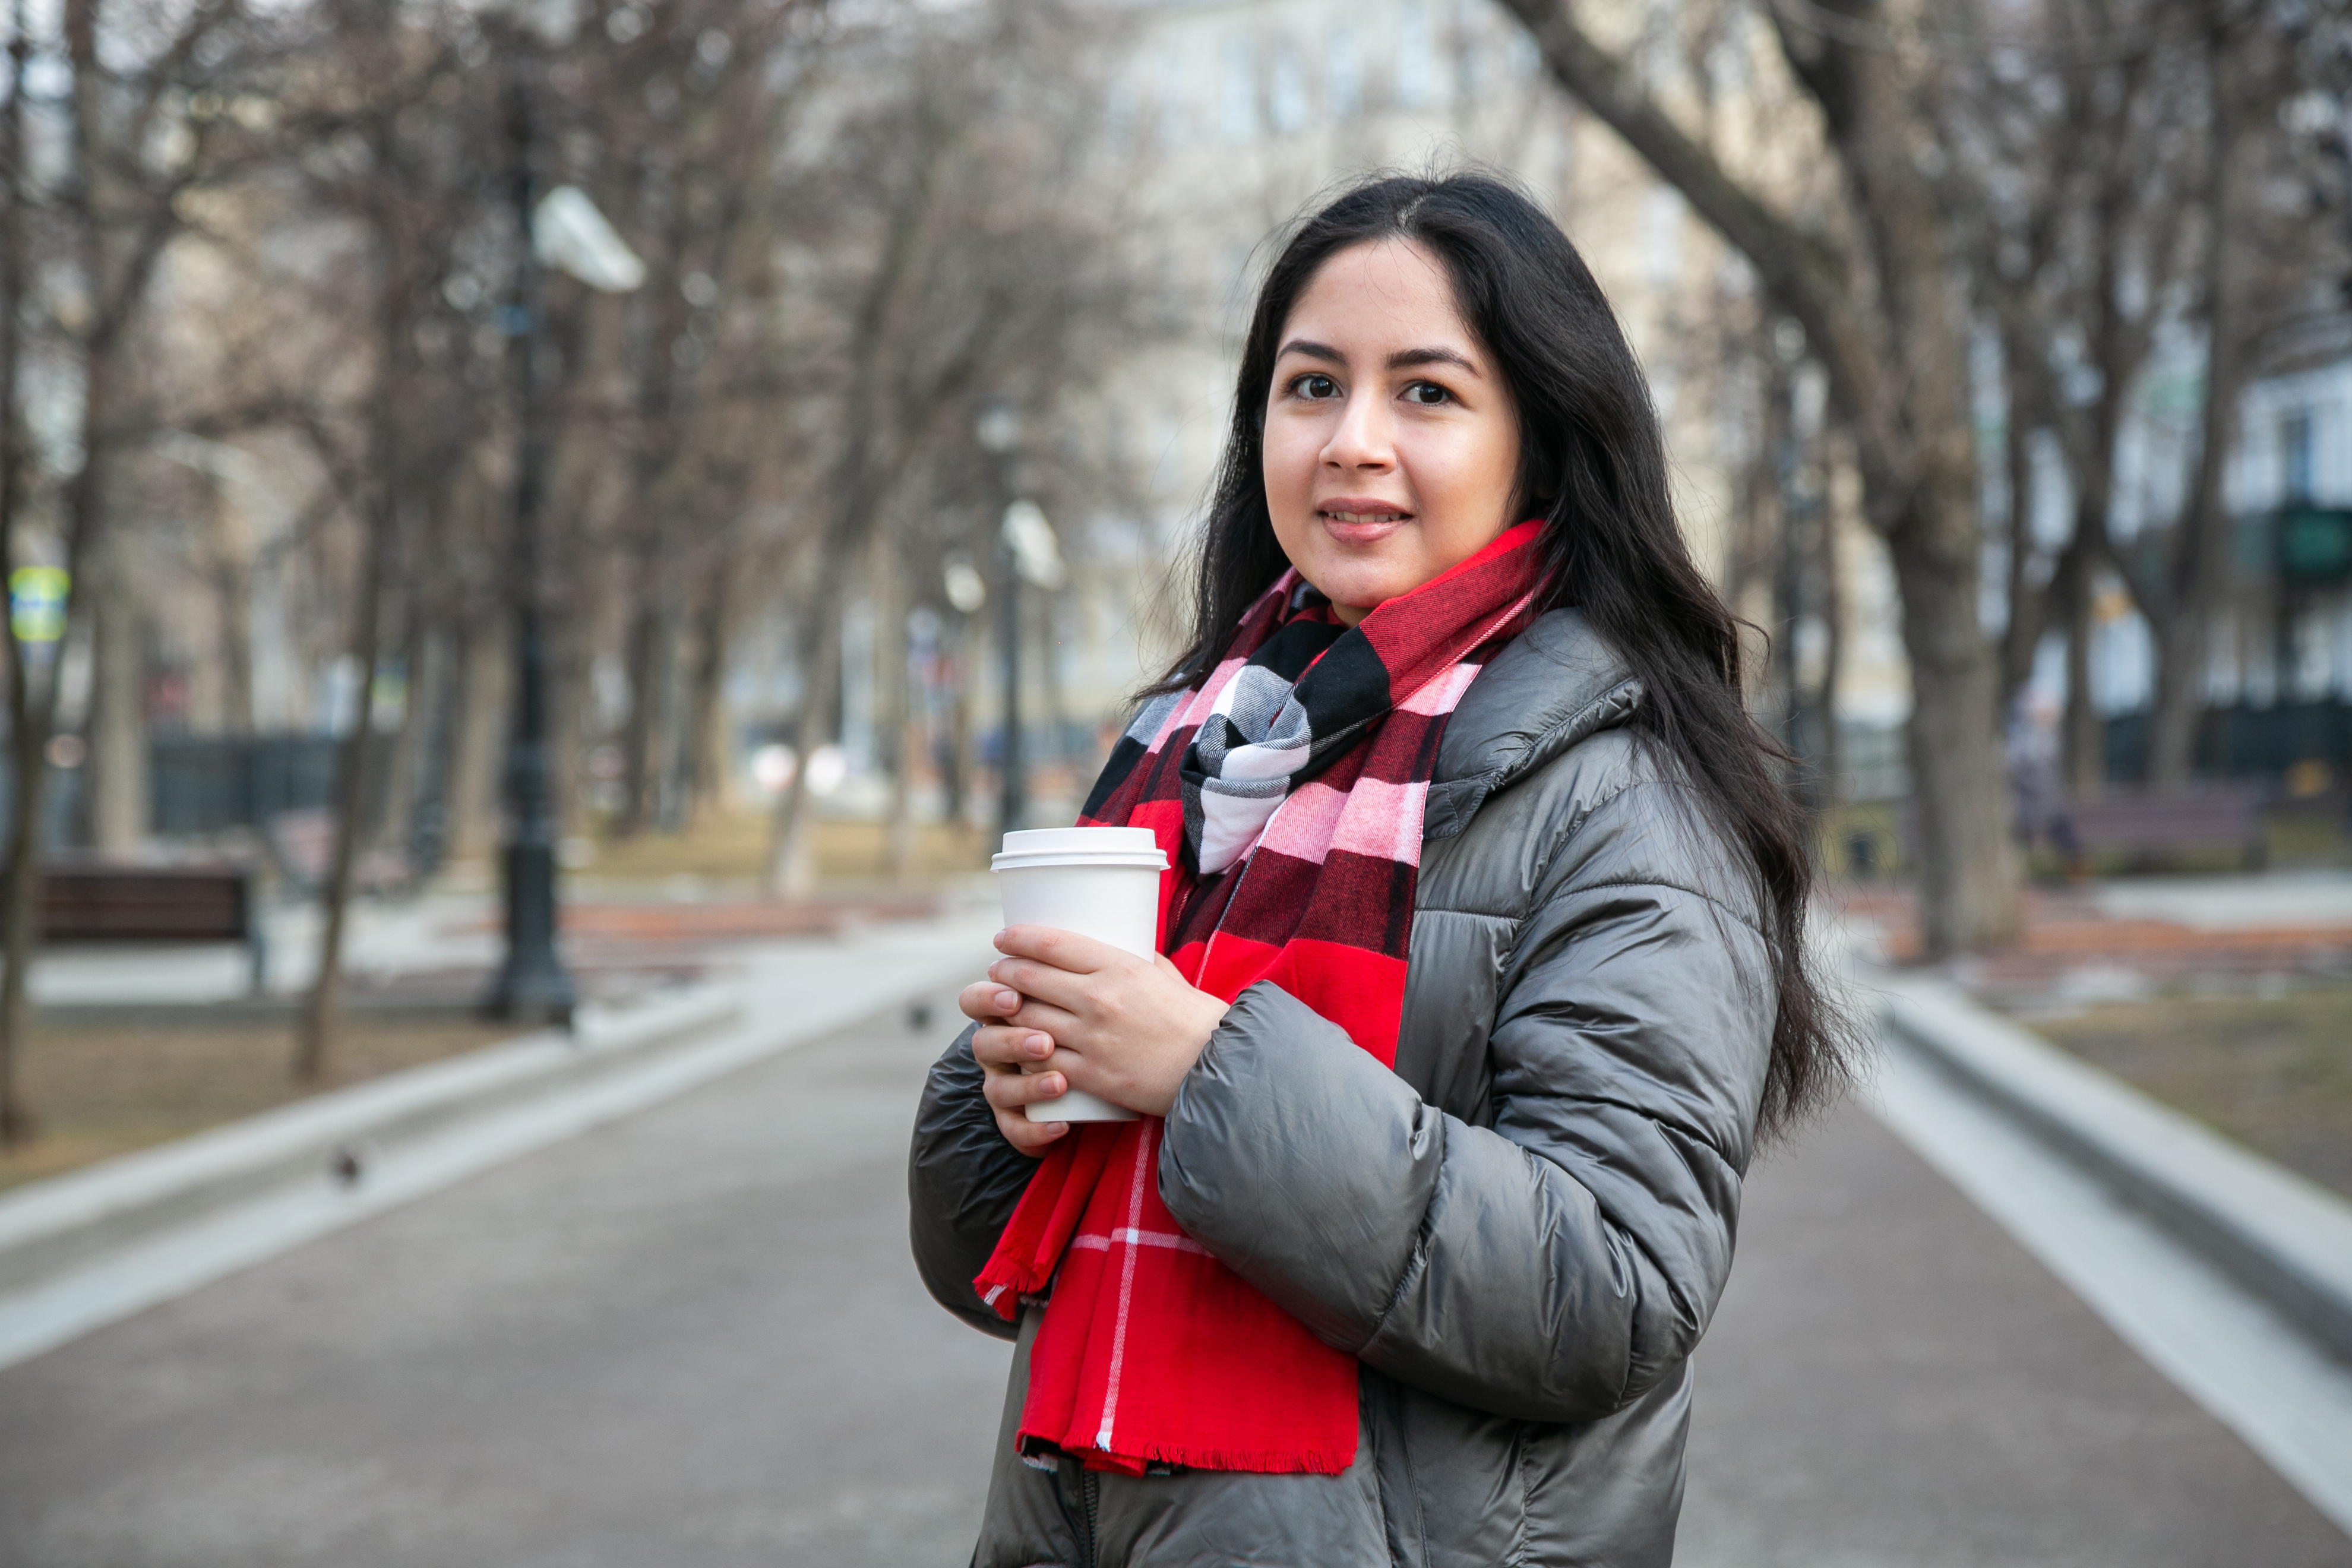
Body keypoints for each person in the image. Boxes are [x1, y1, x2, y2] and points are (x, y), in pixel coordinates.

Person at [908, 171, 1851, 1568]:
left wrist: (1210, 1071)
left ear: (1541, 441)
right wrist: (1009, 1108)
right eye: (1311, 387)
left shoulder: (1625, 800)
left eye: (1426, 392)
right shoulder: (1205, 754)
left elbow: (1616, 1294)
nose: (1353, 441)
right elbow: (990, 1280)